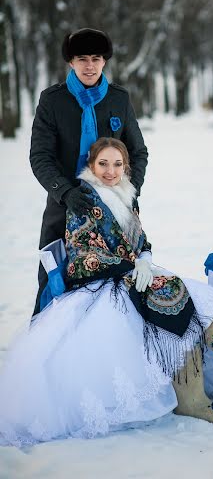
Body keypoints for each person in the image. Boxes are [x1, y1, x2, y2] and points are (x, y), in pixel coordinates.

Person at [0, 138, 213, 447]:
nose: (110, 172)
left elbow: (141, 242)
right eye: (103, 164)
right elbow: (83, 254)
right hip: (100, 283)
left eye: (117, 165)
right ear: (91, 164)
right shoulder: (83, 199)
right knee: (167, 302)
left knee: (196, 295)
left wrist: (145, 261)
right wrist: (128, 267)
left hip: (135, 274)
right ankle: (190, 399)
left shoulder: (128, 196)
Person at [30, 28, 148, 316]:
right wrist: (65, 192)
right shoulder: (52, 100)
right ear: (70, 62)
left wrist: (129, 193)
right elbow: (40, 156)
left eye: (96, 58)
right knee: (54, 281)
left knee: (118, 284)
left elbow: (138, 152)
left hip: (115, 206)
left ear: (105, 61)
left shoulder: (119, 98)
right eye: (82, 58)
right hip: (63, 207)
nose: (90, 65)